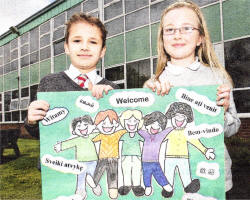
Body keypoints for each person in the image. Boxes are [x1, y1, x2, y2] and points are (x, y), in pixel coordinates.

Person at [143, 0, 241, 194]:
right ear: (162, 39)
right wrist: (150, 100)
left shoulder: (217, 77)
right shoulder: (152, 84)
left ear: (200, 38)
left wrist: (219, 115)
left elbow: (233, 128)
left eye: (187, 28)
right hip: (169, 173)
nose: (177, 34)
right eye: (170, 30)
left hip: (214, 179)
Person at [25, 12, 119, 138]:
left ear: (102, 51)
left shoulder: (113, 89)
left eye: (93, 42)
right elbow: (40, 135)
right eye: (77, 40)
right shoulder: (49, 83)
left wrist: (110, 100)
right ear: (66, 47)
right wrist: (31, 121)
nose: (84, 47)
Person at [54, 115, 101, 199]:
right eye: (79, 126)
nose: (83, 128)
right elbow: (68, 143)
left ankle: (94, 186)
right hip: (81, 162)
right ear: (74, 131)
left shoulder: (92, 136)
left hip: (93, 161)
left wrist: (97, 129)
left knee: (93, 176)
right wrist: (60, 146)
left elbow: (100, 134)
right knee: (81, 177)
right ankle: (80, 192)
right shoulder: (77, 140)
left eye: (85, 125)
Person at [92, 109, 126, 199]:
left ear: (115, 124)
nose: (107, 126)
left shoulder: (117, 134)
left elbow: (125, 130)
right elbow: (92, 138)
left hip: (113, 158)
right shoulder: (100, 135)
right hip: (102, 158)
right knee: (97, 173)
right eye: (103, 124)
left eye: (111, 123)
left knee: (113, 175)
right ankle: (94, 185)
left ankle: (113, 189)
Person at [138, 111, 174, 198]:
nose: (156, 127)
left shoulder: (160, 136)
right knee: (146, 174)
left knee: (159, 174)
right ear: (147, 124)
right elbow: (138, 130)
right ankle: (148, 186)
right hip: (145, 162)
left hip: (155, 162)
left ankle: (165, 185)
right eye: (153, 123)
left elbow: (168, 130)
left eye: (159, 125)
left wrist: (173, 126)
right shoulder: (146, 134)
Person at [118, 109, 145, 196]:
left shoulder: (139, 135)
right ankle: (126, 185)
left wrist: (142, 156)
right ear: (124, 122)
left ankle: (137, 186)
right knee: (126, 171)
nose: (132, 123)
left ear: (139, 123)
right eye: (129, 121)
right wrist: (120, 156)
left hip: (137, 157)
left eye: (135, 121)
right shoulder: (124, 135)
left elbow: (142, 144)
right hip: (125, 157)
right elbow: (120, 145)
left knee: (137, 170)